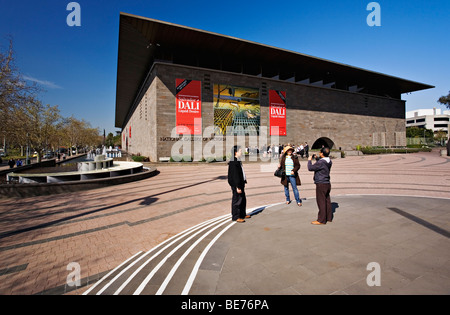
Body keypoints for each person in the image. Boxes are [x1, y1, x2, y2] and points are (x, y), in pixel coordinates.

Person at [307, 147, 333, 225]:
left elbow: (310, 168)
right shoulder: (329, 161)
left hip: (321, 183)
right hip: (327, 183)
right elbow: (322, 165)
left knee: (321, 201)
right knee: (327, 200)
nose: (319, 153)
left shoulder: (321, 162)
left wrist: (309, 160)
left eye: (320, 152)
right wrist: (317, 159)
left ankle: (321, 220)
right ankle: (328, 217)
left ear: (322, 153)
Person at [228, 145, 250, 223]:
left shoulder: (237, 160)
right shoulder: (233, 162)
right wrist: (238, 186)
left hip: (241, 183)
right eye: (240, 151)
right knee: (237, 200)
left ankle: (242, 214)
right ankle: (236, 216)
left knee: (242, 199)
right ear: (236, 152)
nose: (242, 152)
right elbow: (235, 175)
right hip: (237, 185)